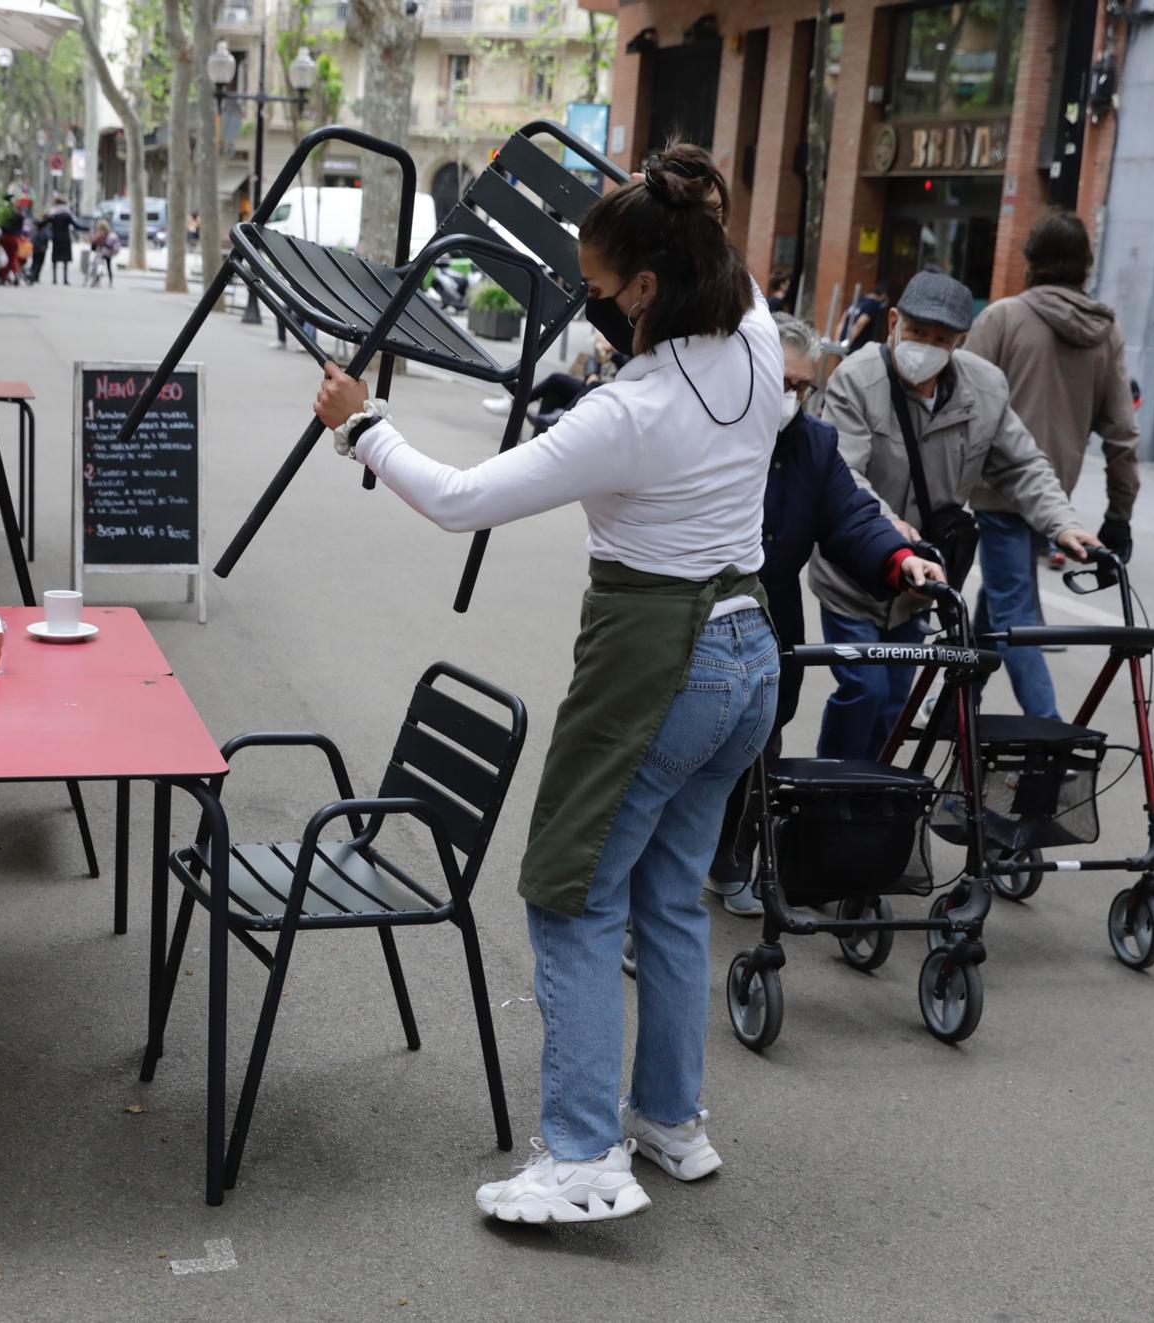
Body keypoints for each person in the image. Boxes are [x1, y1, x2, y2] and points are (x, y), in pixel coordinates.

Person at [313, 144, 783, 1225]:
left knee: (567, 895)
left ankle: (581, 1156)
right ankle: (669, 1121)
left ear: (649, 288)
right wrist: (661, 203)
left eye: (598, 286)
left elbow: (459, 499)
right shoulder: (756, 337)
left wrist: (360, 424)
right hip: (749, 650)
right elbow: (704, 241)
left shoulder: (630, 411)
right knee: (665, 895)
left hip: (659, 662)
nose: (588, 303)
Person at [705, 313, 946, 917]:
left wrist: (901, 559)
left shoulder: (813, 445)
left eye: (803, 387)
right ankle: (642, 892)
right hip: (692, 616)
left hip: (771, 621)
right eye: (780, 381)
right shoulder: (702, 425)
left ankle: (731, 860)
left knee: (758, 748)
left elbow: (850, 516)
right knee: (675, 757)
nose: (791, 397)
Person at [809, 271, 1101, 760]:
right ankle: (827, 794)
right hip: (855, 573)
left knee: (894, 704)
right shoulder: (858, 379)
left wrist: (1063, 523)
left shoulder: (985, 388)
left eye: (941, 339)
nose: (926, 346)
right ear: (896, 322)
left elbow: (1022, 464)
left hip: (921, 583)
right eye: (919, 332)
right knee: (864, 689)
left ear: (959, 342)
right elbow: (843, 475)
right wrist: (887, 533)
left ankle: (870, 804)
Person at [963, 209, 1141, 718]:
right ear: (1086, 267)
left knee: (1013, 609)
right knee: (1001, 601)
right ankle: (959, 704)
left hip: (998, 492)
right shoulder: (1106, 334)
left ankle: (1049, 736)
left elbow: (959, 407)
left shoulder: (1002, 319)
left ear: (1030, 262)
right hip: (1053, 501)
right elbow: (1122, 435)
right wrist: (1120, 513)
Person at [480, 331, 625, 418]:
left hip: (607, 393)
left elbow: (625, 365)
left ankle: (518, 400)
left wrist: (614, 353)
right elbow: (591, 364)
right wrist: (592, 373)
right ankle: (523, 410)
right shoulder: (603, 355)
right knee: (553, 394)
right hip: (588, 388)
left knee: (557, 379)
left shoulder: (624, 354)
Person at [840, 280, 889, 352]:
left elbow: (842, 321)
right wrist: (848, 342)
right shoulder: (874, 304)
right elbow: (860, 323)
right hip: (856, 346)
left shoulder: (858, 299)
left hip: (844, 342)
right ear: (884, 295)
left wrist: (838, 342)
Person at [88, 217, 121, 288]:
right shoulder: (110, 234)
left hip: (102, 252)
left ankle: (96, 279)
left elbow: (94, 241)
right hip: (109, 253)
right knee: (108, 266)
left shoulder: (101, 234)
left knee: (97, 264)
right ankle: (110, 280)